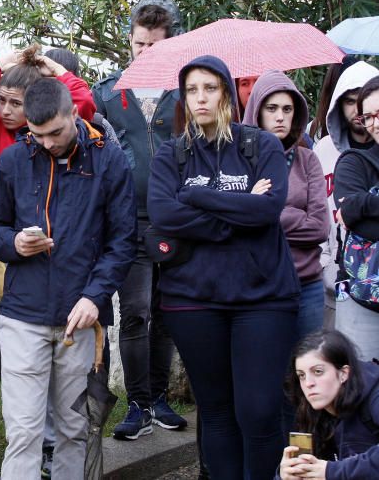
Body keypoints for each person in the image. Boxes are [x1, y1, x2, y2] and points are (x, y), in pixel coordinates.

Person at [146, 55, 300, 479]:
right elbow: (163, 215)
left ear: (227, 95)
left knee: (259, 410)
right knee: (215, 411)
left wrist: (196, 197)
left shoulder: (260, 145)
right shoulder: (171, 156)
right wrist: (239, 209)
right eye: (192, 90)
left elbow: (267, 212)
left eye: (210, 88)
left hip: (263, 297)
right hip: (193, 300)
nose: (200, 98)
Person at [0, 78, 136, 478]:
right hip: (22, 314)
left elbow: (123, 241)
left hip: (81, 316)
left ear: (74, 115)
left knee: (74, 430)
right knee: (24, 433)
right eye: (36, 134)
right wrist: (14, 242)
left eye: (55, 133)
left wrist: (95, 297)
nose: (46, 143)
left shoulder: (109, 159)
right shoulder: (14, 160)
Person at [92, 0, 189, 441]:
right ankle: (136, 404)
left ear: (170, 44)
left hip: (173, 219)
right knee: (133, 312)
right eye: (139, 44)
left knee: (165, 312)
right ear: (129, 41)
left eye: (154, 44)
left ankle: (158, 396)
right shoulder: (108, 93)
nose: (145, 52)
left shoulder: (187, 93)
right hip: (126, 221)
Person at [242, 71, 331, 338]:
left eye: (287, 109)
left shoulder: (307, 160)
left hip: (307, 284)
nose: (280, 116)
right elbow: (237, 223)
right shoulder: (240, 161)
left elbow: (319, 227)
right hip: (257, 285)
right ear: (257, 112)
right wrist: (294, 213)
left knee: (307, 369)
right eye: (271, 108)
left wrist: (267, 211)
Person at [314, 61, 379, 330]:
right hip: (347, 276)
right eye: (350, 101)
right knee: (351, 362)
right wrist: (326, 261)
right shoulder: (336, 154)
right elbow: (348, 213)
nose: (357, 110)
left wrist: (364, 206)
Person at [0, 45, 96, 157]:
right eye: (1, 100)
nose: (5, 111)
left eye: (16, 103)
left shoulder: (54, 128)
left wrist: (57, 70)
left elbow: (84, 100)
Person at [278, 329, 379, 479]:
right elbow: (310, 469)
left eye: (318, 371)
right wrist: (285, 474)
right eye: (301, 375)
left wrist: (331, 472)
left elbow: (328, 472)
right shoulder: (310, 410)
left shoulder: (374, 394)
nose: (308, 383)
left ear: (344, 373)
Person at [333, 75, 379, 362]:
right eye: (368, 116)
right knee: (359, 391)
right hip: (363, 298)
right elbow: (356, 219)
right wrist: (359, 208)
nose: (374, 123)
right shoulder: (354, 162)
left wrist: (366, 202)